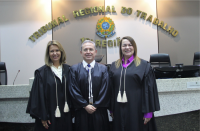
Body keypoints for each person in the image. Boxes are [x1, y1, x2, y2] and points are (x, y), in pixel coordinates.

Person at [109, 36, 160, 131]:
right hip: (119, 107)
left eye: (130, 45)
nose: (127, 47)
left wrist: (148, 112)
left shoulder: (144, 65)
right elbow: (111, 89)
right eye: (124, 45)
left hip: (137, 107)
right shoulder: (114, 66)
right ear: (121, 48)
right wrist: (112, 109)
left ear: (134, 47)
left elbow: (149, 89)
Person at [26, 40, 72, 131]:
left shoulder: (69, 70)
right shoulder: (42, 73)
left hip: (66, 114)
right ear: (48, 54)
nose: (55, 53)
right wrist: (43, 116)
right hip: (49, 115)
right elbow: (38, 96)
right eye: (51, 51)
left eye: (57, 50)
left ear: (61, 52)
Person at [69, 40, 110, 131]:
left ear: (95, 52)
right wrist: (85, 105)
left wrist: (96, 105)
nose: (88, 52)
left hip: (99, 110)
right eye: (85, 49)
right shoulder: (74, 69)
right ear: (81, 52)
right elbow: (73, 89)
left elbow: (105, 89)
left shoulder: (103, 69)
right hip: (81, 110)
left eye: (91, 49)